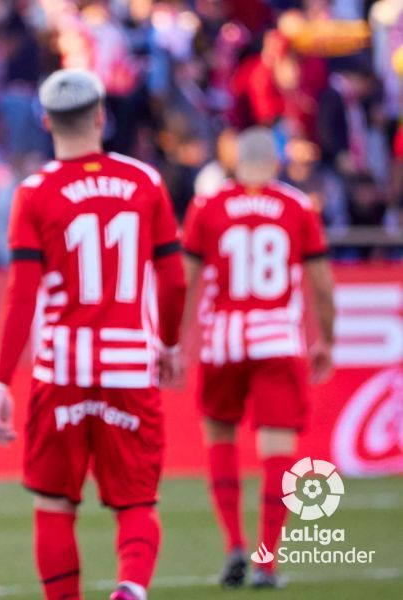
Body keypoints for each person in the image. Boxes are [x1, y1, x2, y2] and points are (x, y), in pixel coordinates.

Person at [0, 69, 187, 600]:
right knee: (138, 501)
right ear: (102, 116)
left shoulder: (35, 192)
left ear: (47, 121)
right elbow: (173, 278)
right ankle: (130, 588)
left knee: (54, 502)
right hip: (128, 361)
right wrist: (168, 343)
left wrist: (1, 380)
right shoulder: (146, 182)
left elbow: (22, 295)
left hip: (63, 368)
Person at [180, 127, 335, 589]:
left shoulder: (207, 206)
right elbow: (322, 286)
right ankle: (267, 562)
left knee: (220, 437)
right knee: (277, 451)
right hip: (276, 341)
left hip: (222, 340)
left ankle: (234, 544)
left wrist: (174, 339)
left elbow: (184, 282)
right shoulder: (297, 207)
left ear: (235, 162)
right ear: (276, 163)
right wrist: (326, 338)